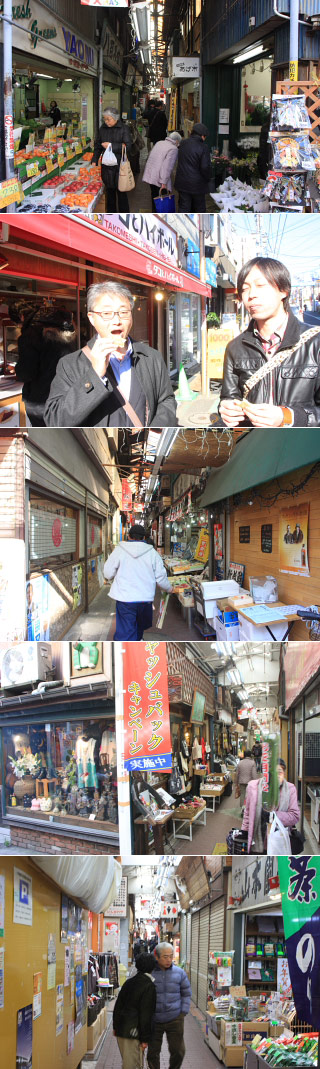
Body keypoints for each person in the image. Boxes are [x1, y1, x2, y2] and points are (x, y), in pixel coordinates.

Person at [44, 281, 177, 428]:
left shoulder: (151, 357)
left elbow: (167, 400)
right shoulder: (70, 364)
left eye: (123, 312)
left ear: (131, 316)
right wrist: (94, 375)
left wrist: (156, 430)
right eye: (106, 313)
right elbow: (55, 420)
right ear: (91, 318)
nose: (116, 321)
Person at [217, 256, 320, 428]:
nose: (251, 295)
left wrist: (287, 416)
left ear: (284, 290)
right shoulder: (235, 347)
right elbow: (229, 397)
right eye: (244, 289)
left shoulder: (315, 342)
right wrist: (227, 410)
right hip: (254, 442)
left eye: (261, 285)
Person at [103, 524, 172, 641]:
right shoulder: (153, 553)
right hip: (145, 599)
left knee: (126, 631)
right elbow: (161, 577)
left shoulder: (119, 550)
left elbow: (108, 573)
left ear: (128, 536)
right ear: (144, 538)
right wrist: (169, 588)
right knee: (140, 627)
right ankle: (138, 641)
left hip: (125, 598)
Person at [15, 306, 77, 426]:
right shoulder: (68, 335)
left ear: (23, 317)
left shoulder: (30, 336)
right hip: (65, 397)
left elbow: (26, 373)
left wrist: (17, 369)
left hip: (40, 401)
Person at [147, 942, 191, 1069]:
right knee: (152, 1053)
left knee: (179, 1051)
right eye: (165, 957)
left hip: (175, 1018)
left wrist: (183, 1011)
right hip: (154, 1020)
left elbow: (186, 993)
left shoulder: (179, 973)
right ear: (157, 956)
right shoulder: (149, 973)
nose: (169, 960)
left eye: (171, 956)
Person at [241, 758, 300, 853]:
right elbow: (247, 812)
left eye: (280, 772)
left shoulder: (290, 789)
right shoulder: (252, 786)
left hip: (278, 842)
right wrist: (244, 831)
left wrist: (273, 816)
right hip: (256, 842)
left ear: (284, 773)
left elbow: (295, 816)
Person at [113, 952, 156, 1069]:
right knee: (133, 1065)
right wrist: (145, 1039)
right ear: (152, 967)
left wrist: (115, 1027)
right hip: (133, 1033)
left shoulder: (129, 982)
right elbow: (145, 1015)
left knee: (128, 1063)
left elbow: (118, 1006)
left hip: (122, 1030)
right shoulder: (149, 986)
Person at [93, 106, 132, 211]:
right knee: (110, 194)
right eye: (104, 119)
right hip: (107, 167)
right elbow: (97, 145)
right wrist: (94, 159)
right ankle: (111, 215)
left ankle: (124, 216)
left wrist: (111, 146)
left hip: (120, 166)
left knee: (122, 193)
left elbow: (128, 146)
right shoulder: (103, 128)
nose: (106, 122)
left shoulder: (124, 129)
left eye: (108, 119)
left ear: (115, 118)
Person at [175, 123, 211, 211]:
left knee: (184, 207)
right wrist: (208, 178)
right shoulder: (204, 147)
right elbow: (205, 167)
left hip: (182, 182)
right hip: (197, 185)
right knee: (199, 209)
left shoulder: (183, 143)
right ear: (202, 136)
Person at [142, 132, 182, 209]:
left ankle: (154, 215)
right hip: (159, 178)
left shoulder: (159, 143)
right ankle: (160, 217)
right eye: (178, 143)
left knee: (154, 197)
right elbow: (167, 167)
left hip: (151, 175)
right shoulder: (173, 149)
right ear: (177, 141)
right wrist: (163, 182)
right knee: (162, 200)